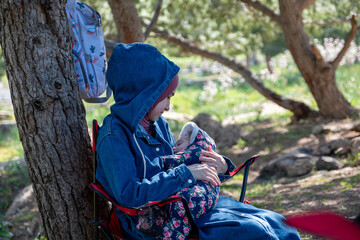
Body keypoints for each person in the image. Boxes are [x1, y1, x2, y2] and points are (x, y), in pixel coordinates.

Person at [96, 42, 301, 240]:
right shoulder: (114, 136)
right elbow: (130, 195)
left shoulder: (157, 124)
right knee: (258, 231)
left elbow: (173, 165)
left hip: (183, 205)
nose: (168, 107)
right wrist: (187, 173)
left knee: (280, 224)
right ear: (143, 95)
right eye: (165, 98)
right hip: (152, 224)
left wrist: (219, 166)